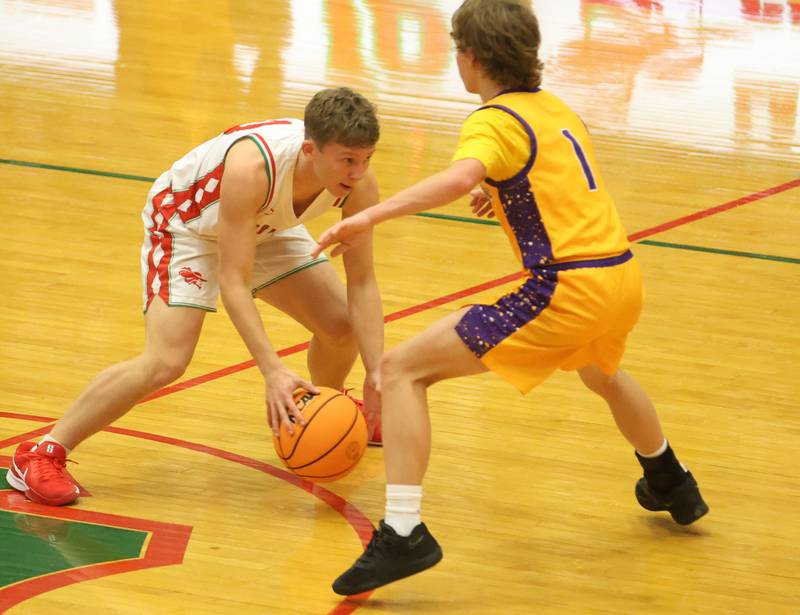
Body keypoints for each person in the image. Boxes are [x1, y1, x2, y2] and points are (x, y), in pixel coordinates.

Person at [311, 0, 709, 596]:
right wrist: (502, 190)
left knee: (399, 371)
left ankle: (402, 532)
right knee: (602, 372)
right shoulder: (555, 110)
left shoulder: (492, 120)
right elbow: (552, 179)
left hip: (567, 288)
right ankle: (671, 479)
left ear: (470, 58)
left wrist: (368, 215)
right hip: (621, 278)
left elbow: (457, 177)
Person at [6, 87, 384, 507]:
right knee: (167, 360)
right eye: (348, 160)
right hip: (186, 224)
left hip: (263, 225)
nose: (358, 171)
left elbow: (362, 282)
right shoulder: (252, 168)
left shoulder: (360, 184)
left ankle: (325, 411)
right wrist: (273, 370)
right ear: (311, 150)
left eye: (367, 158)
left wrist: (376, 373)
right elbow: (234, 281)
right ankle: (41, 454)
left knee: (341, 328)